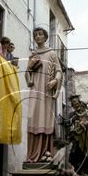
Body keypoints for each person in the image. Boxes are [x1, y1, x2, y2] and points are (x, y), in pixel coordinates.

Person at [25, 27, 63, 163]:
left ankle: (45, 153)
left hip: (46, 92)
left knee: (45, 119)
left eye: (40, 34)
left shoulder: (51, 53)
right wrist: (29, 67)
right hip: (35, 90)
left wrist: (55, 80)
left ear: (45, 37)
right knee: (33, 118)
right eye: (35, 35)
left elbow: (59, 71)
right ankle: (32, 155)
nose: (37, 37)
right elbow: (28, 77)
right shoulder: (33, 55)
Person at [68, 95, 88, 175]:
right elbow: (69, 123)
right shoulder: (73, 114)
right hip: (77, 136)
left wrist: (87, 122)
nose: (76, 105)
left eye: (77, 102)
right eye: (74, 103)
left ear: (79, 102)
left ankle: (85, 171)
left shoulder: (87, 111)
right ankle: (78, 170)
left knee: (87, 153)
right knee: (74, 153)